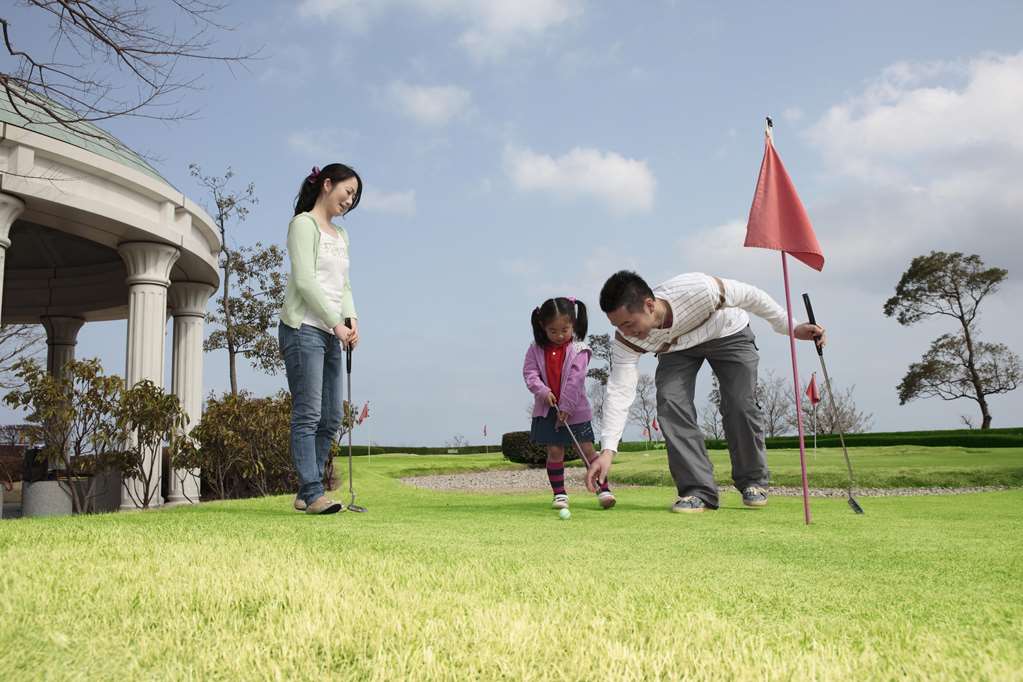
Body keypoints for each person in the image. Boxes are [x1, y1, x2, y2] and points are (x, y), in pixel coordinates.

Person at [585, 271, 825, 513]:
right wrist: (607, 450)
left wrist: (791, 327)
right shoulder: (627, 341)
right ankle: (697, 491)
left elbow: (752, 296)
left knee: (740, 403)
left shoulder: (699, 289)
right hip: (677, 348)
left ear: (649, 305)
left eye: (629, 323)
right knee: (670, 401)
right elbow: (619, 390)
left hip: (727, 332)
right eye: (618, 326)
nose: (625, 332)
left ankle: (753, 481)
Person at [278, 163, 363, 515]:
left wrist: (351, 319)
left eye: (354, 197)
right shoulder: (303, 224)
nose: (350, 200)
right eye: (347, 192)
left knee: (330, 418)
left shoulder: (342, 236)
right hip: (303, 329)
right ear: (327, 185)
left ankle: (305, 491)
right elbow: (305, 282)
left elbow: (341, 285)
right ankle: (313, 493)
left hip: (331, 330)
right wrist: (334, 323)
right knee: (308, 414)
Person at [523, 297, 616, 510]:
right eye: (552, 331)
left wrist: (567, 407)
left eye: (564, 329)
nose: (559, 335)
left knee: (587, 451)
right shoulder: (535, 349)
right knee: (555, 452)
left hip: (576, 410)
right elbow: (530, 373)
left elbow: (576, 380)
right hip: (548, 410)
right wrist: (543, 391)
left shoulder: (579, 349)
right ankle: (560, 495)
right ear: (542, 327)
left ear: (573, 324)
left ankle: (604, 490)